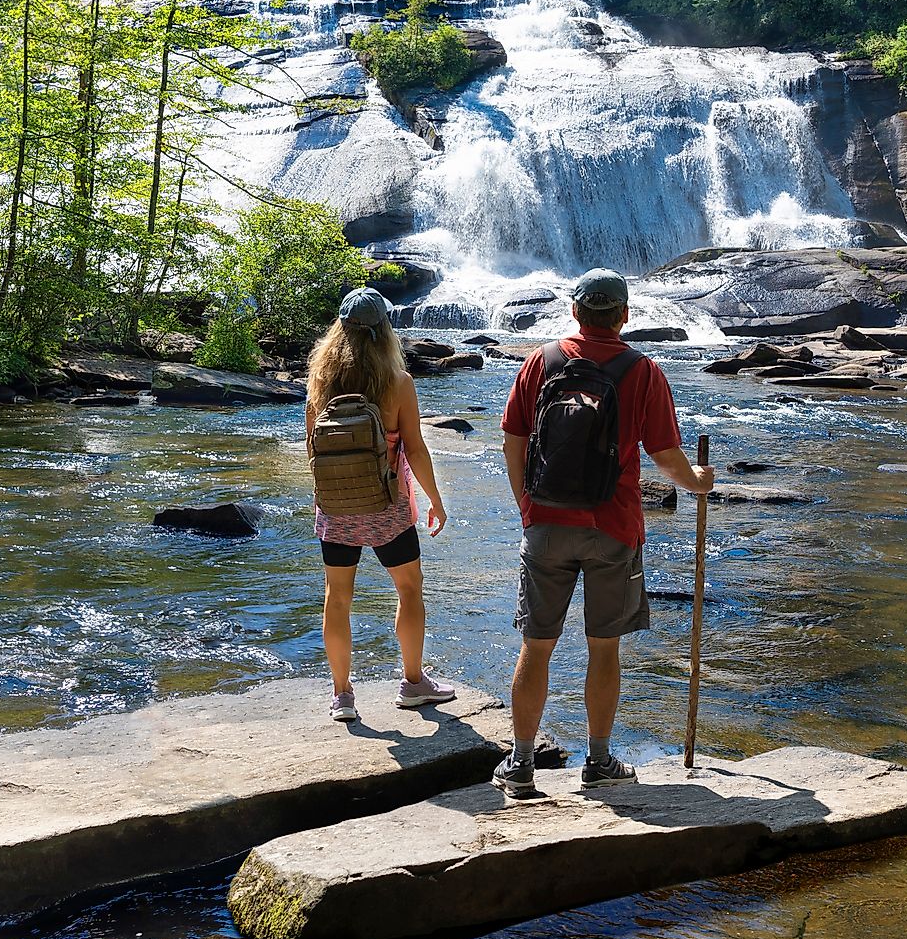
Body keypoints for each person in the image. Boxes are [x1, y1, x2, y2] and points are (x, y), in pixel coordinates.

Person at [496, 267, 717, 795]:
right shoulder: (642, 371)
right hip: (614, 527)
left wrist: (527, 506)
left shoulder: (541, 361)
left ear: (574, 311)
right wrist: (698, 483)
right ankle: (598, 761)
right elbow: (665, 454)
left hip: (546, 522)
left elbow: (513, 440)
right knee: (604, 648)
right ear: (623, 315)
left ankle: (520, 765)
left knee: (536, 645)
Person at [305, 287, 454, 723]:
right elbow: (416, 448)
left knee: (337, 597)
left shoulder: (318, 382)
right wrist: (435, 500)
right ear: (385, 331)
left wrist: (332, 496)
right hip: (390, 507)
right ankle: (413, 684)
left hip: (336, 507)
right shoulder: (398, 383)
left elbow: (311, 449)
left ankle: (342, 696)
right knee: (409, 590)